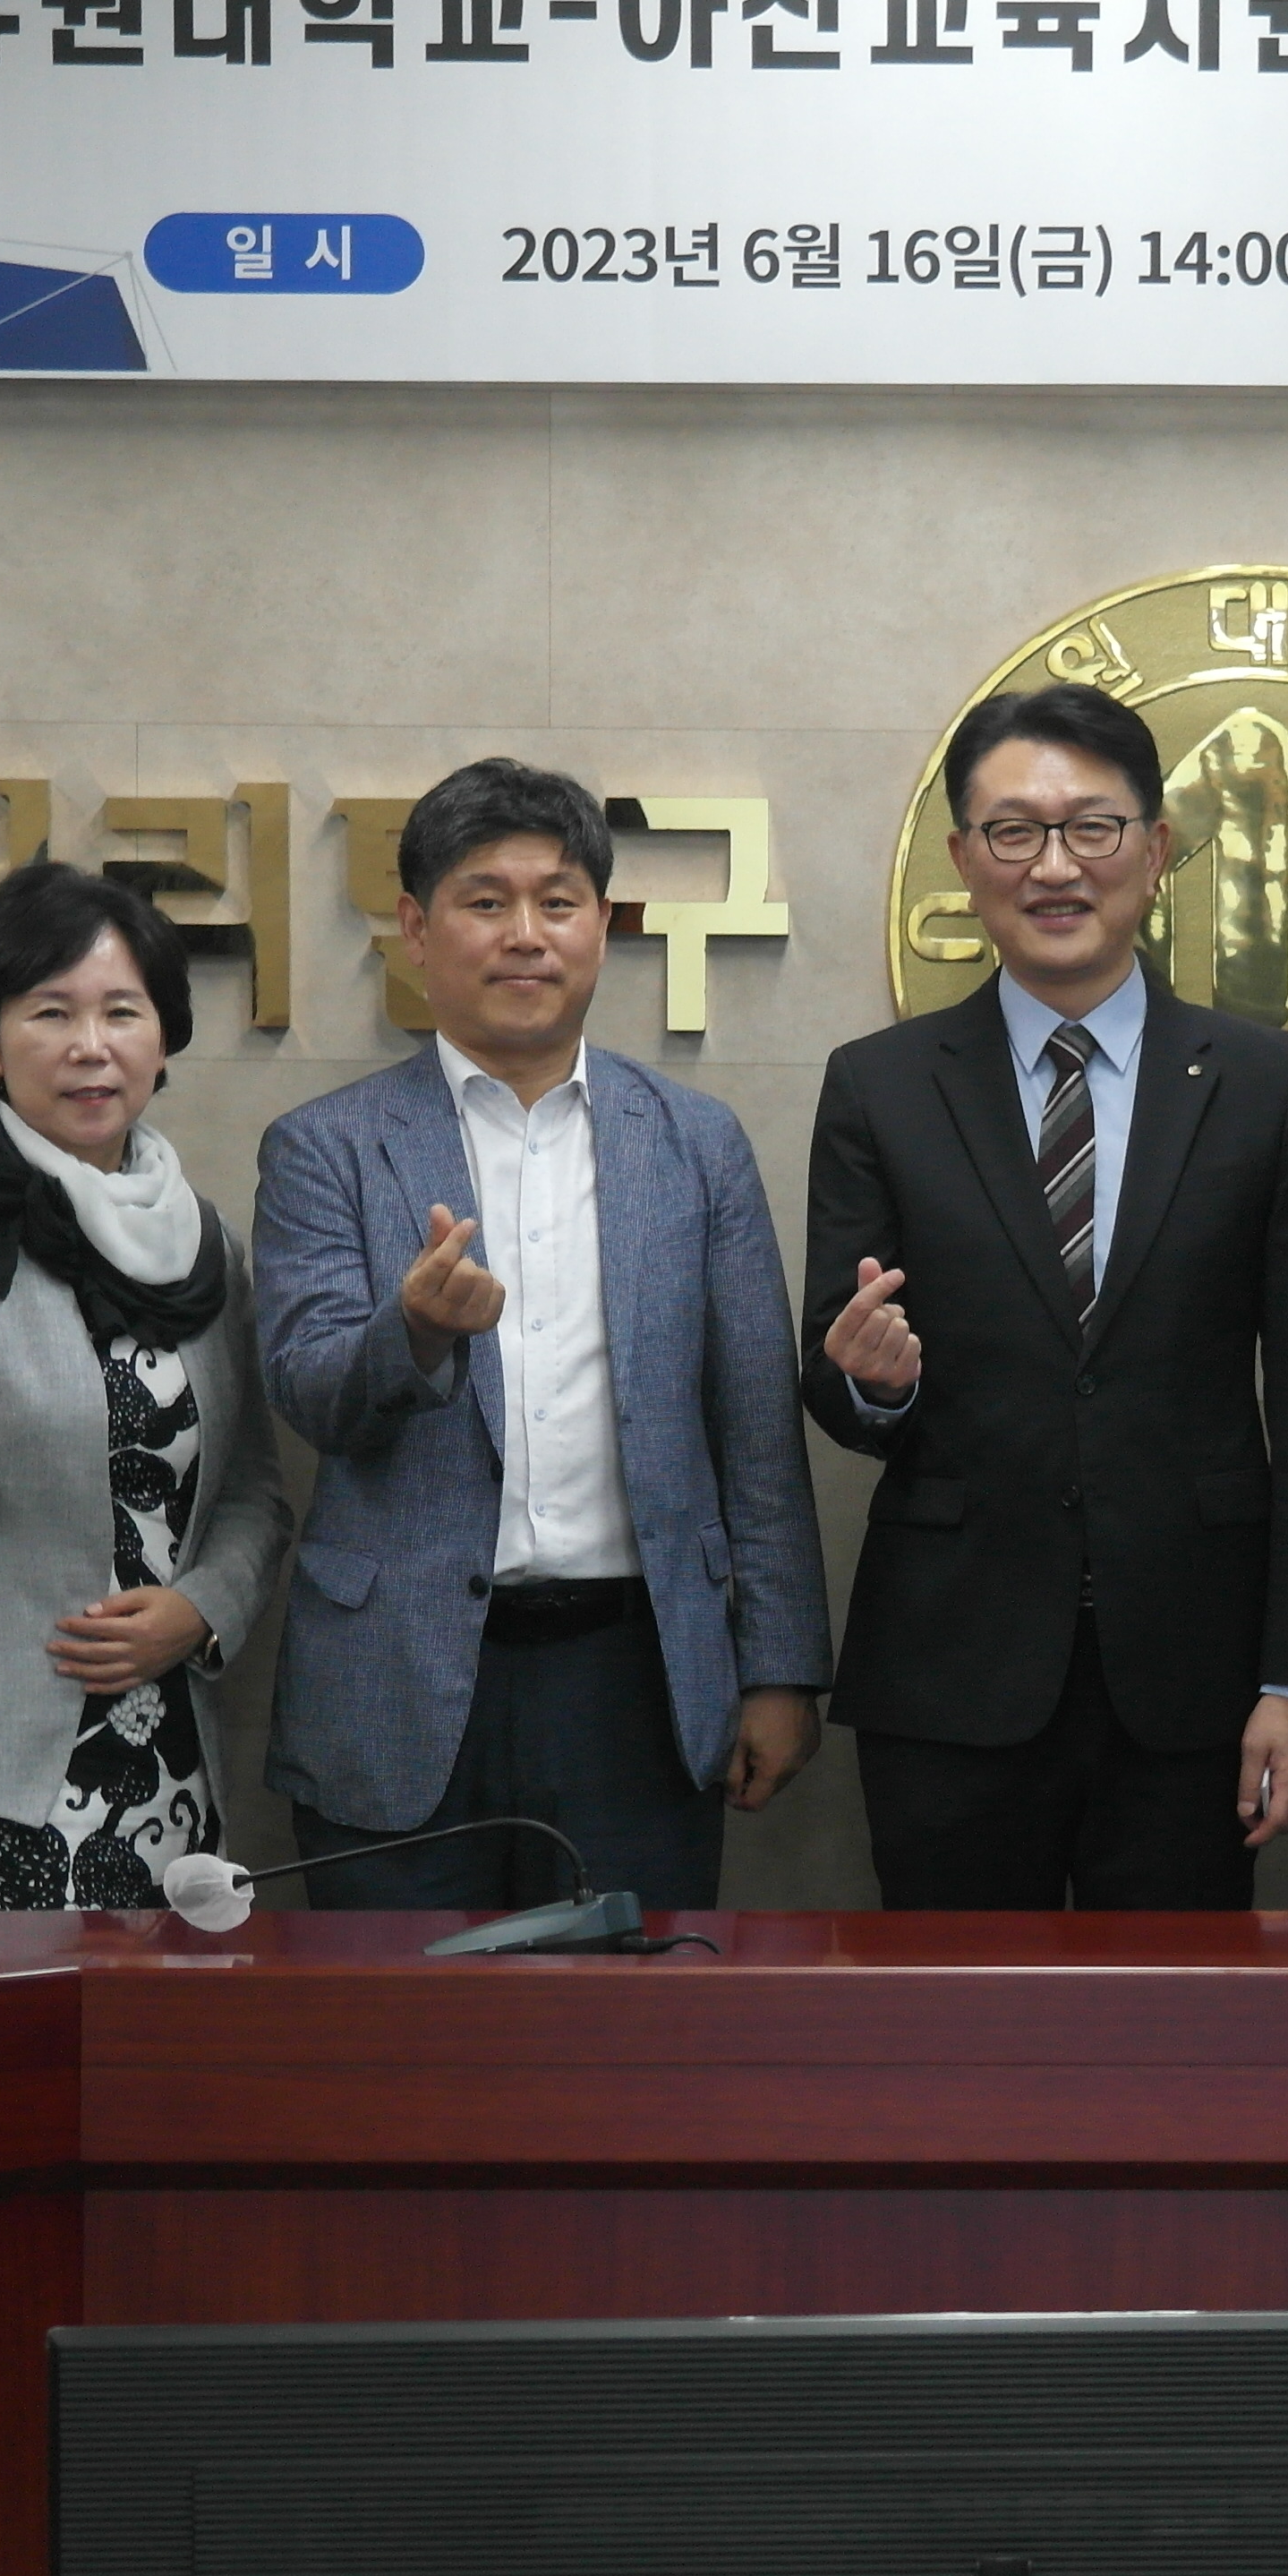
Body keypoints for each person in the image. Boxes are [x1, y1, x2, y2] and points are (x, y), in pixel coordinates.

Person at [800, 684, 1288, 1909]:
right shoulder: (880, 1087)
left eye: (1091, 828)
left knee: (1170, 2022)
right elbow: (836, 1386)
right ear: (965, 859)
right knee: (953, 2015)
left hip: (1197, 1678)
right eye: (1014, 831)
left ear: (1154, 851)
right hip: (950, 1674)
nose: (1054, 866)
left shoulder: (1263, 1084)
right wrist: (870, 1384)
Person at [252, 761, 829, 1911]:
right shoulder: (326, 1146)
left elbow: (756, 1427)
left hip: (637, 1675)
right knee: (393, 2015)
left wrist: (780, 1670)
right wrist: (414, 1334)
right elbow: (308, 1390)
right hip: (397, 1679)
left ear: (601, 927)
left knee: (622, 2014)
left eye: (557, 902)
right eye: (485, 901)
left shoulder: (696, 1143)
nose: (525, 934)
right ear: (418, 928)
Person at [0, 865, 289, 1912]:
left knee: (165, 2025)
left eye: (121, 1012)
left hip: (168, 1765)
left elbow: (254, 1490)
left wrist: (202, 1609)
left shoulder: (207, 1244)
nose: (91, 1046)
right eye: (51, 1013)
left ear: (163, 1040)